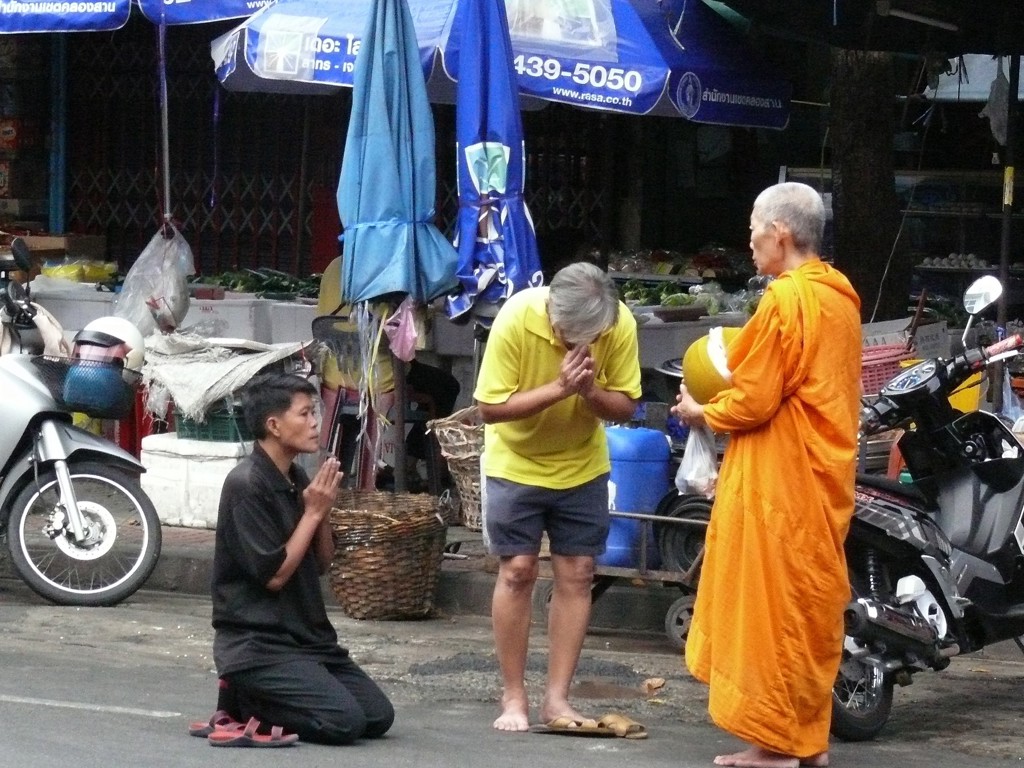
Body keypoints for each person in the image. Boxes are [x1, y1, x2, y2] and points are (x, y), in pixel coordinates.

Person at [670, 182, 861, 768]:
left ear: (779, 233)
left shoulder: (787, 300)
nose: (748, 239)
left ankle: (779, 747)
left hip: (782, 479)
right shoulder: (838, 296)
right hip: (817, 477)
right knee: (801, 609)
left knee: (772, 609)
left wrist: (701, 412)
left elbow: (752, 399)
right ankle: (792, 740)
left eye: (753, 226)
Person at [474, 261, 642, 732]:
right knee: (518, 571)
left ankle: (558, 699)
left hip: (582, 462)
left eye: (592, 336)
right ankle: (513, 697)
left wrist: (589, 391)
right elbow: (489, 408)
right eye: (572, 336)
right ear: (553, 314)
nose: (582, 345)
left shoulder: (619, 323)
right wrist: (559, 388)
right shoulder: (516, 317)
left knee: (578, 573)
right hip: (516, 461)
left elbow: (627, 404)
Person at [196, 372, 395, 746]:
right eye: (304, 414)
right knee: (343, 724)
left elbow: (322, 563)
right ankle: (244, 700)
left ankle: (253, 697)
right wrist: (312, 514)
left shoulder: (296, 477)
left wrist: (322, 511)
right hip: (257, 645)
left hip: (307, 640)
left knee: (378, 717)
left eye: (314, 413)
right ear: (274, 425)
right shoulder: (246, 484)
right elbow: (273, 577)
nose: (315, 423)